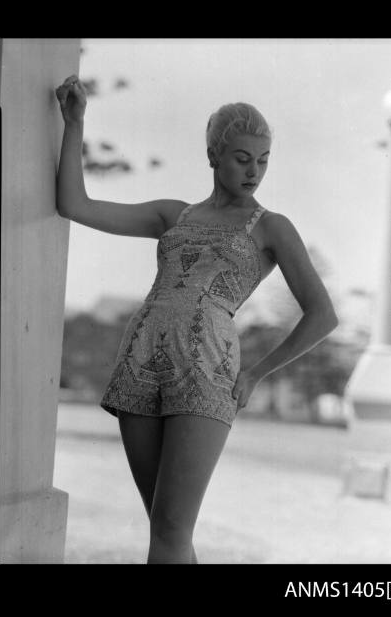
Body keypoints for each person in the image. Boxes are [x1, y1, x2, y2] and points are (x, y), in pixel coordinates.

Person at [55, 74, 339, 564]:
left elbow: (322, 315)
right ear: (213, 155)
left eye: (264, 160)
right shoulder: (174, 215)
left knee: (170, 527)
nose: (255, 171)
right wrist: (75, 123)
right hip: (140, 357)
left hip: (208, 366)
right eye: (242, 158)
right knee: (166, 531)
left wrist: (256, 373)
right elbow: (74, 205)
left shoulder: (272, 226)